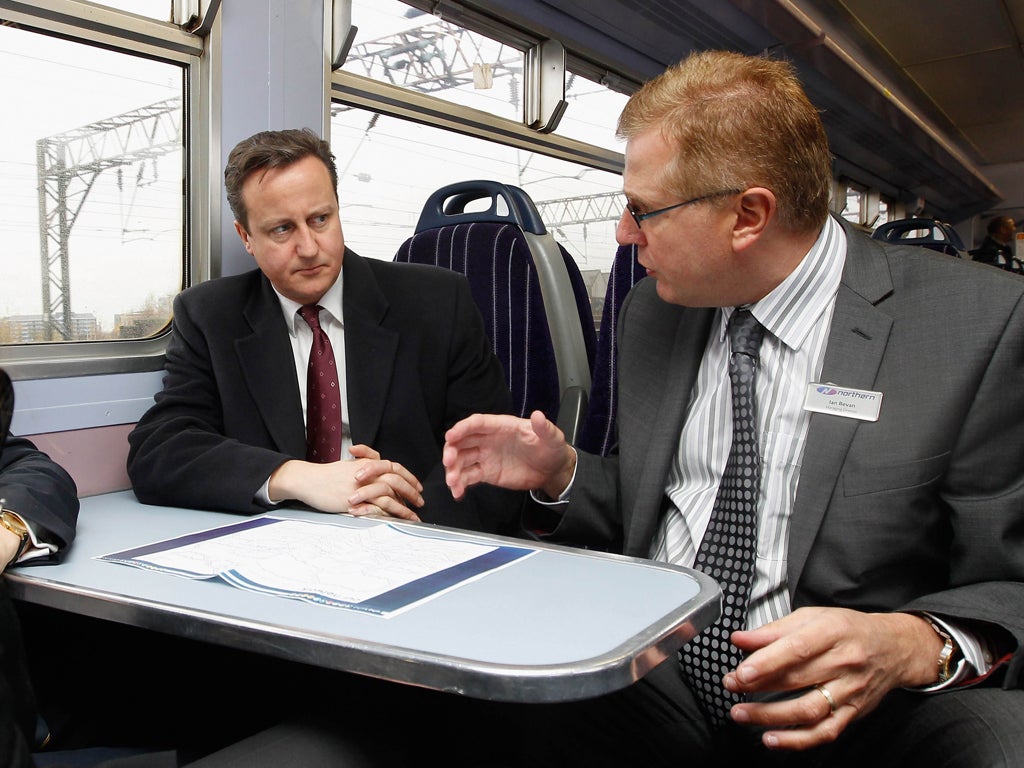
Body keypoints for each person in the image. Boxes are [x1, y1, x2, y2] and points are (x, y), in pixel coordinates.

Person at [443, 50, 1024, 766]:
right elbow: (653, 505)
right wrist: (563, 471)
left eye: (642, 211)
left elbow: (1009, 581)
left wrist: (910, 643)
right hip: (648, 672)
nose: (625, 235)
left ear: (748, 215)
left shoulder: (977, 327)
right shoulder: (652, 314)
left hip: (848, 708)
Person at [127, 127, 520, 534]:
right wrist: (298, 477)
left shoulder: (438, 302)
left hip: (419, 536)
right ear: (246, 237)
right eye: (282, 229)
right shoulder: (210, 315)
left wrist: (400, 515)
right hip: (279, 541)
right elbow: (160, 451)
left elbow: (493, 458)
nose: (310, 247)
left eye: (320, 219)